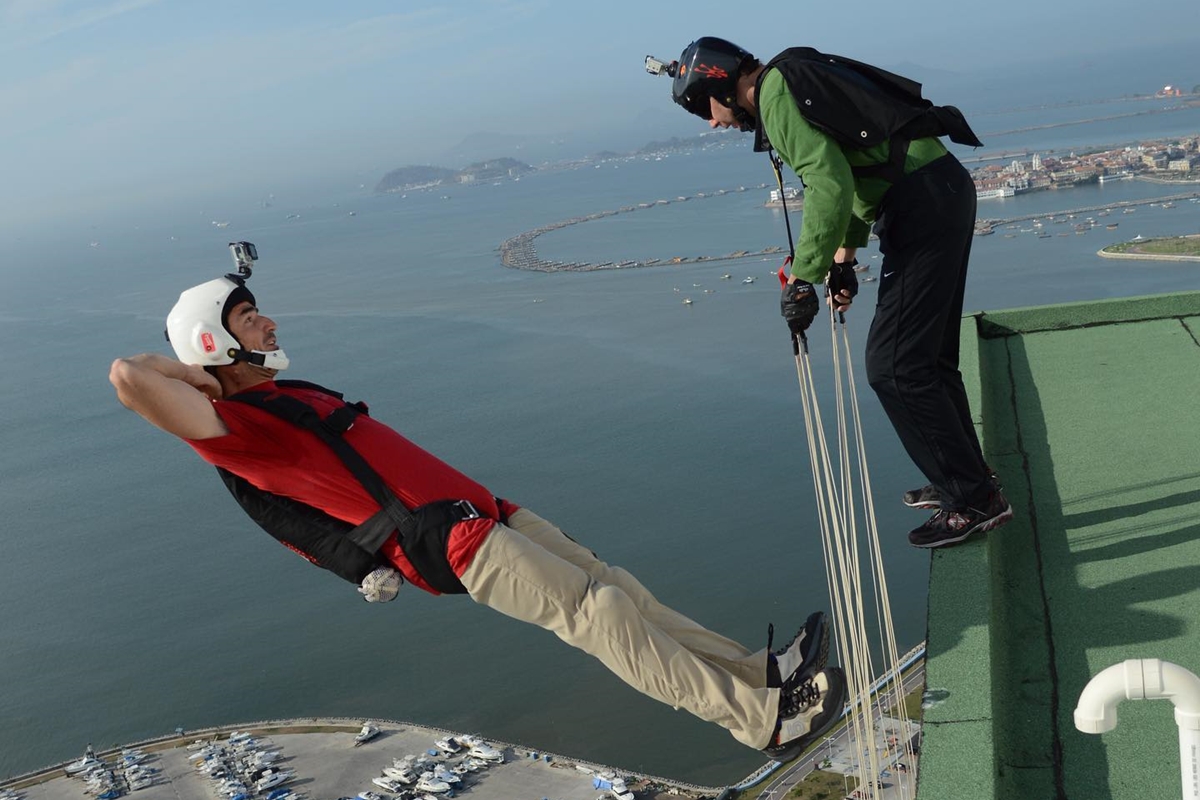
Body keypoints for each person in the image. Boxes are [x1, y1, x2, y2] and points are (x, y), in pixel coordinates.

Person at [108, 266, 848, 762]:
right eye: (247, 315)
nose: (267, 322)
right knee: (601, 616)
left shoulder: (280, 397)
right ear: (215, 340)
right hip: (451, 540)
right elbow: (129, 377)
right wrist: (201, 367)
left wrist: (222, 352)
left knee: (622, 591)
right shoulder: (237, 432)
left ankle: (762, 676)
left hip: (485, 511)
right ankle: (762, 723)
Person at [658, 37, 1013, 548]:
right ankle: (967, 478)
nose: (713, 123)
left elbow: (828, 183)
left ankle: (975, 497)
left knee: (894, 367)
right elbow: (846, 169)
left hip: (922, 204)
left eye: (704, 111)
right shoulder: (788, 78)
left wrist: (803, 276)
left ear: (719, 86)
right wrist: (843, 260)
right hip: (937, 192)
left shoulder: (776, 94)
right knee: (927, 360)